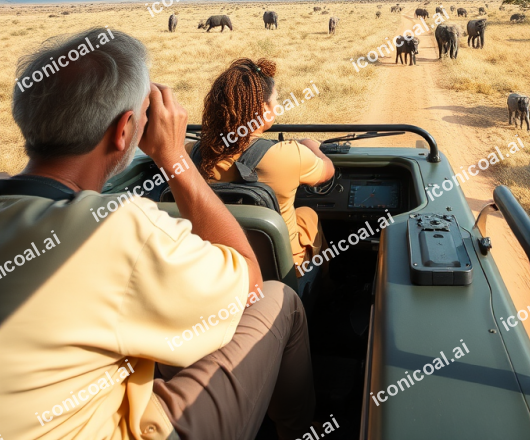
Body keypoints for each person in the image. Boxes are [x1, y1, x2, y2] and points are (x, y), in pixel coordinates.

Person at [0, 28, 314, 440]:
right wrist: (173, 155)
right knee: (280, 299)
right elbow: (250, 285)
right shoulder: (115, 226)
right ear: (125, 129)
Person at [186, 58, 335, 276]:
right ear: (263, 108)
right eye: (276, 100)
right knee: (308, 215)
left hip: (213, 270)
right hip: (278, 272)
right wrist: (312, 146)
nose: (277, 105)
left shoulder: (190, 154)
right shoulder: (290, 155)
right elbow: (327, 171)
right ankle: (320, 292)